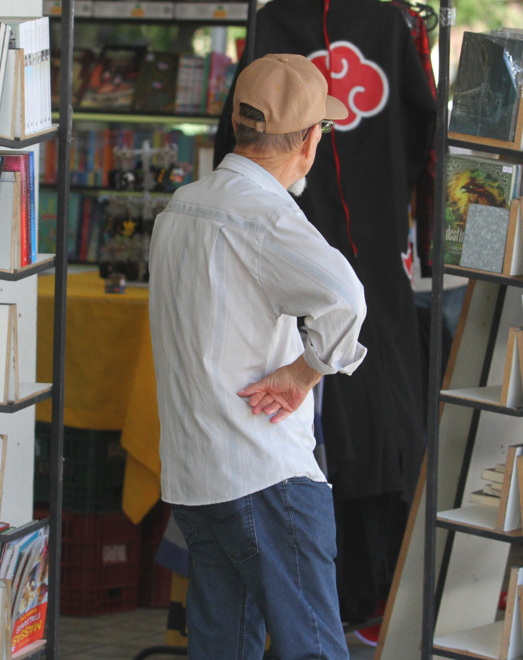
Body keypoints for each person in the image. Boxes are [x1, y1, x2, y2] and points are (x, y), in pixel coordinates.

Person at [148, 53, 367, 659]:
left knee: (222, 646)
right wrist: (304, 373)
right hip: (264, 470)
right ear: (311, 139)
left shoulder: (181, 207)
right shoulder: (267, 217)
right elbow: (347, 299)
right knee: (315, 648)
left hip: (196, 474)